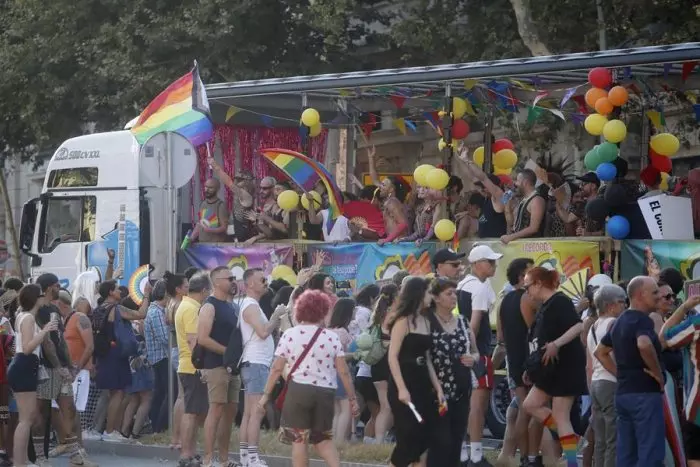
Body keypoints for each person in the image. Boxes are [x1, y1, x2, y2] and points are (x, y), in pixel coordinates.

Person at [258, 290, 359, 467]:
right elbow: (343, 372)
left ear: (300, 310)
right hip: (325, 393)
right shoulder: (332, 337)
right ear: (323, 311)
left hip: (298, 391)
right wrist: (352, 398)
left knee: (299, 440)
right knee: (324, 441)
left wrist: (266, 395)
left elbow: (276, 369)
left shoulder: (290, 334)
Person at [594, 276, 666, 467]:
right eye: (655, 293)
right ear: (640, 295)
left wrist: (621, 374)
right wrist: (658, 373)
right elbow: (643, 344)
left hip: (624, 394)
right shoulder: (642, 320)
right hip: (644, 393)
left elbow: (600, 352)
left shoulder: (620, 321)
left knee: (626, 453)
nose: (659, 297)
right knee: (649, 452)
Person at [522, 267, 587, 467]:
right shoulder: (546, 305)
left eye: (528, 286)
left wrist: (556, 344)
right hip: (548, 367)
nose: (527, 292)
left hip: (565, 366)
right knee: (530, 405)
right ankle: (572, 439)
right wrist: (532, 366)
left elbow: (578, 326)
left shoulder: (560, 301)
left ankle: (571, 461)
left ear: (539, 283)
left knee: (561, 415)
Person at [387, 277, 442, 467]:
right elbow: (392, 356)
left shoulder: (426, 321)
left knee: (423, 436)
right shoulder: (403, 321)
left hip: (422, 383)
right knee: (407, 436)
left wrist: (438, 387)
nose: (431, 297)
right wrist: (401, 389)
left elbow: (427, 359)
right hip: (403, 380)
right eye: (428, 292)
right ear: (418, 293)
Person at [458, 244, 502, 467]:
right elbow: (474, 322)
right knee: (478, 404)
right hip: (477, 353)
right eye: (490, 261)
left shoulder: (462, 284)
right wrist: (471, 351)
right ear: (476, 264)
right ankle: (475, 456)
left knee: (465, 405)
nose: (494, 265)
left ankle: (464, 454)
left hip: (464, 351)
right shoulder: (480, 287)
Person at [426, 278, 478, 467]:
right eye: (449, 294)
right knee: (440, 441)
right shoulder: (427, 321)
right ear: (436, 298)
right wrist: (436, 386)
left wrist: (474, 358)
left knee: (457, 439)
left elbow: (475, 351)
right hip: (436, 391)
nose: (454, 297)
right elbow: (426, 357)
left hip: (462, 388)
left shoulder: (463, 321)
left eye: (455, 293)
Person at [92, 279, 150, 442]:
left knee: (115, 392)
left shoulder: (98, 308)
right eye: (117, 289)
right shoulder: (115, 308)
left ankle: (112, 430)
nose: (120, 291)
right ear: (110, 292)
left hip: (104, 353)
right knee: (118, 392)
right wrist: (146, 295)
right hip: (117, 352)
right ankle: (111, 431)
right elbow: (141, 314)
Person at [8, 285, 58, 467]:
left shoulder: (22, 316)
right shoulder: (28, 317)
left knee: (26, 418)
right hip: (25, 365)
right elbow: (28, 348)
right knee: (25, 419)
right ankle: (20, 463)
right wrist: (44, 331)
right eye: (42, 295)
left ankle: (23, 460)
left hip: (22, 366)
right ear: (35, 298)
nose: (45, 298)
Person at [198, 266, 242, 467]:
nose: (233, 281)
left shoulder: (232, 306)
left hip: (233, 368)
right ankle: (208, 459)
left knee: (230, 412)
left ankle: (223, 459)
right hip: (216, 366)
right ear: (216, 282)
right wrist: (227, 352)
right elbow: (203, 339)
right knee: (215, 410)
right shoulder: (209, 305)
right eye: (229, 278)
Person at [239, 269, 281, 467]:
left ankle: (245, 455)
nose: (266, 282)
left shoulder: (252, 305)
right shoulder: (250, 305)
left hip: (255, 363)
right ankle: (252, 458)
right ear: (250, 284)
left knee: (250, 412)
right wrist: (277, 317)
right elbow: (264, 332)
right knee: (257, 411)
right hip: (256, 363)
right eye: (262, 280)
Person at [495, 258, 535, 466]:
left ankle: (519, 456)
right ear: (522, 276)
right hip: (527, 361)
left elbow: (501, 337)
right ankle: (528, 456)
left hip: (513, 359)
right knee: (528, 411)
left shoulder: (505, 301)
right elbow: (534, 331)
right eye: (531, 270)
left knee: (520, 409)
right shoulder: (526, 299)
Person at [587, 285, 626, 467]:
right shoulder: (613, 324)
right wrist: (621, 376)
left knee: (600, 439)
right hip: (610, 382)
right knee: (613, 439)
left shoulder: (593, 327)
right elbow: (616, 356)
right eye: (622, 302)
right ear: (610, 306)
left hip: (596, 382)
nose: (625, 306)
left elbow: (589, 364)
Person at [659, 294, 700, 466]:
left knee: (695, 457)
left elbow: (662, 339)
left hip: (698, 409)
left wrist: (683, 308)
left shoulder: (696, 324)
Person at [175, 273, 211, 467]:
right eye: (209, 290)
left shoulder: (187, 305)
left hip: (188, 366)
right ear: (204, 290)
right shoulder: (190, 309)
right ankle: (186, 455)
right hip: (192, 367)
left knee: (196, 412)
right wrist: (201, 366)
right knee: (191, 412)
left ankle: (190, 452)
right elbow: (192, 341)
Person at [54, 289, 94, 454]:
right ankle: (67, 442)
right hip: (66, 372)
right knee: (60, 408)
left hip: (79, 371)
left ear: (60, 304)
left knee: (73, 409)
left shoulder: (80, 317)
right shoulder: (63, 321)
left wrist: (76, 369)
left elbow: (90, 346)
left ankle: (79, 446)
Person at [207, 156, 256, 242]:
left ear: (247, 181)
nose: (236, 182)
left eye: (239, 179)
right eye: (235, 179)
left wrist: (214, 165)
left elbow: (228, 182)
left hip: (241, 233)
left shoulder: (245, 195)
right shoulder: (241, 194)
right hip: (235, 232)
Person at [143, 280, 170, 434]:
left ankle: (157, 426)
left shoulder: (158, 311)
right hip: (161, 357)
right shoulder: (156, 312)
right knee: (167, 393)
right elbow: (165, 338)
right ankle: (160, 426)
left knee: (160, 392)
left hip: (159, 357)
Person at [327, 298, 355, 443]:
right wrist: (355, 354)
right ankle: (340, 441)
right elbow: (342, 355)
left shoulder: (328, 331)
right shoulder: (343, 332)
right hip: (341, 372)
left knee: (336, 411)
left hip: (328, 374)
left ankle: (333, 441)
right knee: (346, 409)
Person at [502, 169, 545, 244]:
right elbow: (514, 224)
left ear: (525, 182)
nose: (515, 184)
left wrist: (511, 237)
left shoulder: (536, 200)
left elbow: (533, 228)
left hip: (532, 248)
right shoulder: (524, 200)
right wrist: (507, 205)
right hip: (521, 246)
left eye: (517, 181)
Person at [192, 178, 230, 243]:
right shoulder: (203, 204)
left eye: (211, 188)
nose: (207, 190)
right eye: (206, 187)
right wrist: (191, 238)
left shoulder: (220, 205)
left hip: (215, 246)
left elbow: (224, 228)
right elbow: (199, 224)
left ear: (217, 189)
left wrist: (210, 230)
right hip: (202, 244)